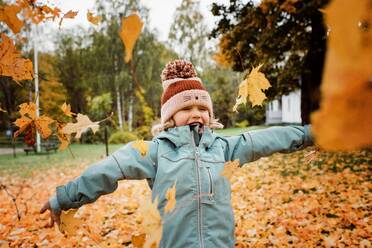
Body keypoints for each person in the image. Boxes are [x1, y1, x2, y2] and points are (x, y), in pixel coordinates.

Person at [41, 59, 314, 248]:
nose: (196, 113)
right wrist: (66, 196)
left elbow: (266, 139)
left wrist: (310, 134)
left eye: (202, 108)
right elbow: (109, 169)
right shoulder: (155, 151)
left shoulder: (223, 148)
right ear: (170, 117)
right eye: (186, 109)